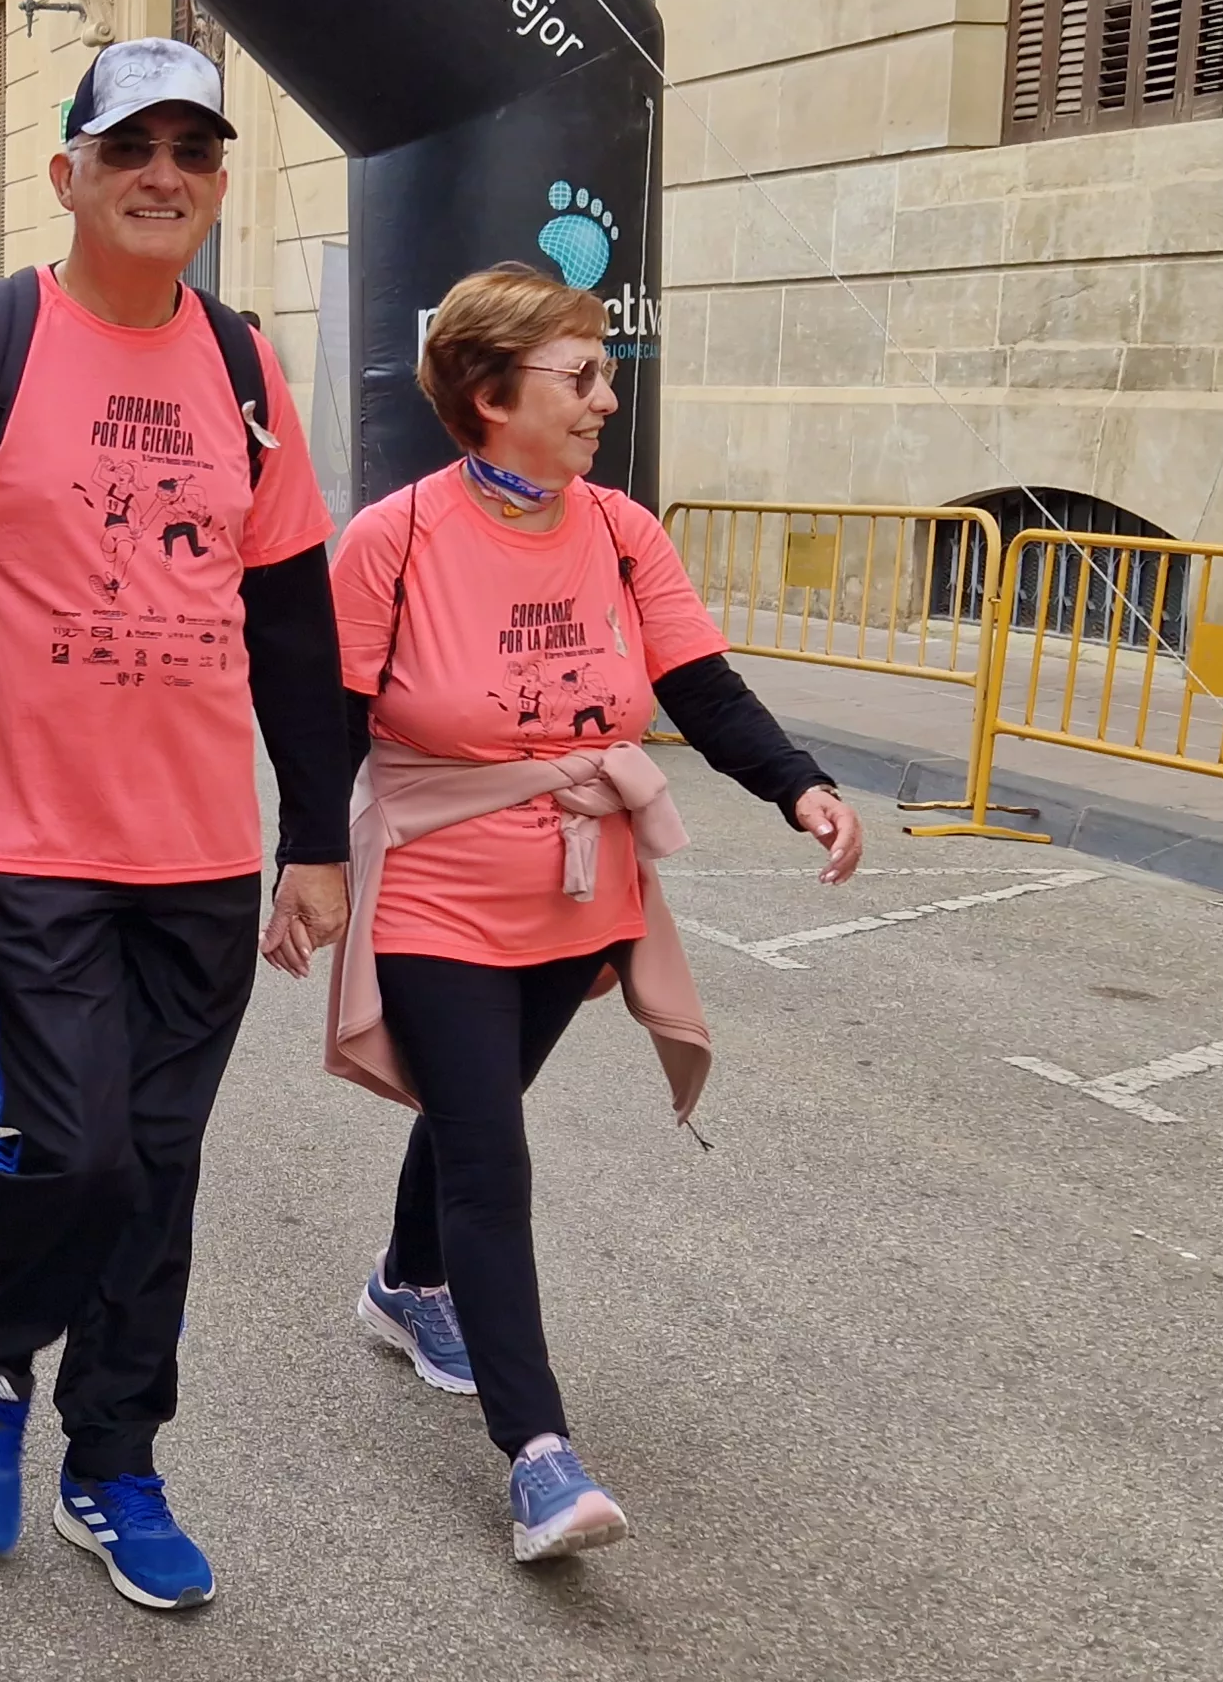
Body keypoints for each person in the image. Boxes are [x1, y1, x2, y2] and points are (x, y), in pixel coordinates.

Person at [0, 38, 348, 1611]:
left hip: (197, 852)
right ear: (68, 173)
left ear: (219, 185)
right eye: (131, 147)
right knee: (75, 1154)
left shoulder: (247, 369)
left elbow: (294, 621)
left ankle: (115, 1462)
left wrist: (317, 836)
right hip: (25, 844)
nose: (163, 175)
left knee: (160, 1168)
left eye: (193, 150)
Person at [331, 264, 864, 1564]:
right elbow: (324, 718)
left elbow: (702, 686)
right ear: (487, 391)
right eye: (578, 376)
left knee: (475, 1110)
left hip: (579, 892)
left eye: (603, 374)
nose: (604, 400)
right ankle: (539, 1457)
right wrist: (305, 865)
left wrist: (799, 786)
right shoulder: (393, 539)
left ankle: (405, 1283)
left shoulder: (622, 532)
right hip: (437, 888)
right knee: (490, 1154)